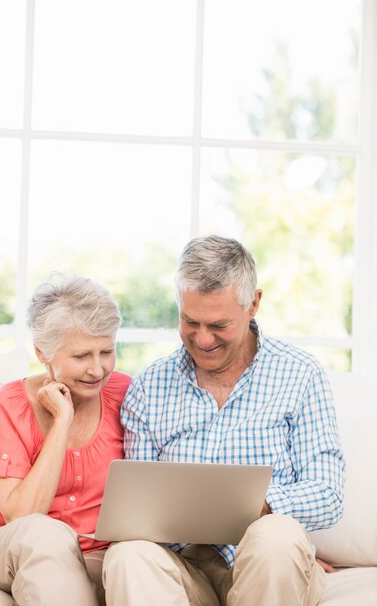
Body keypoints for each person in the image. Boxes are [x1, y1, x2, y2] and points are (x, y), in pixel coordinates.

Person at [102, 235, 345, 606]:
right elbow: (138, 510)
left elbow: (328, 495)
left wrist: (258, 507)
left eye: (218, 325)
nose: (202, 339)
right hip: (184, 570)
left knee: (276, 537)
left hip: (266, 561)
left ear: (254, 304)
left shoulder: (301, 375)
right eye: (189, 321)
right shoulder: (149, 386)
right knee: (128, 555)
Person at [0, 273, 131, 606]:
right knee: (43, 533)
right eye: (81, 356)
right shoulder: (7, 404)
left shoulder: (125, 392)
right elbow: (23, 514)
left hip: (90, 551)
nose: (97, 370)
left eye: (106, 352)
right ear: (43, 353)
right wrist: (62, 420)